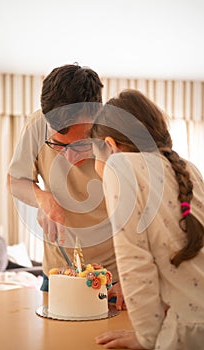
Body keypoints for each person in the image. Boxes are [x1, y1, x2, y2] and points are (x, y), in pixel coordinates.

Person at [91, 89, 204, 349]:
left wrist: (146, 338)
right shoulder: (189, 168)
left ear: (110, 145)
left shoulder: (120, 167)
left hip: (187, 333)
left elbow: (135, 262)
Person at [8, 64, 125, 309]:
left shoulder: (120, 134)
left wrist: (132, 276)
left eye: (81, 145)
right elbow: (15, 181)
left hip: (116, 279)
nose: (68, 159)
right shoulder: (37, 125)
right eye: (58, 145)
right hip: (58, 275)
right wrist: (43, 198)